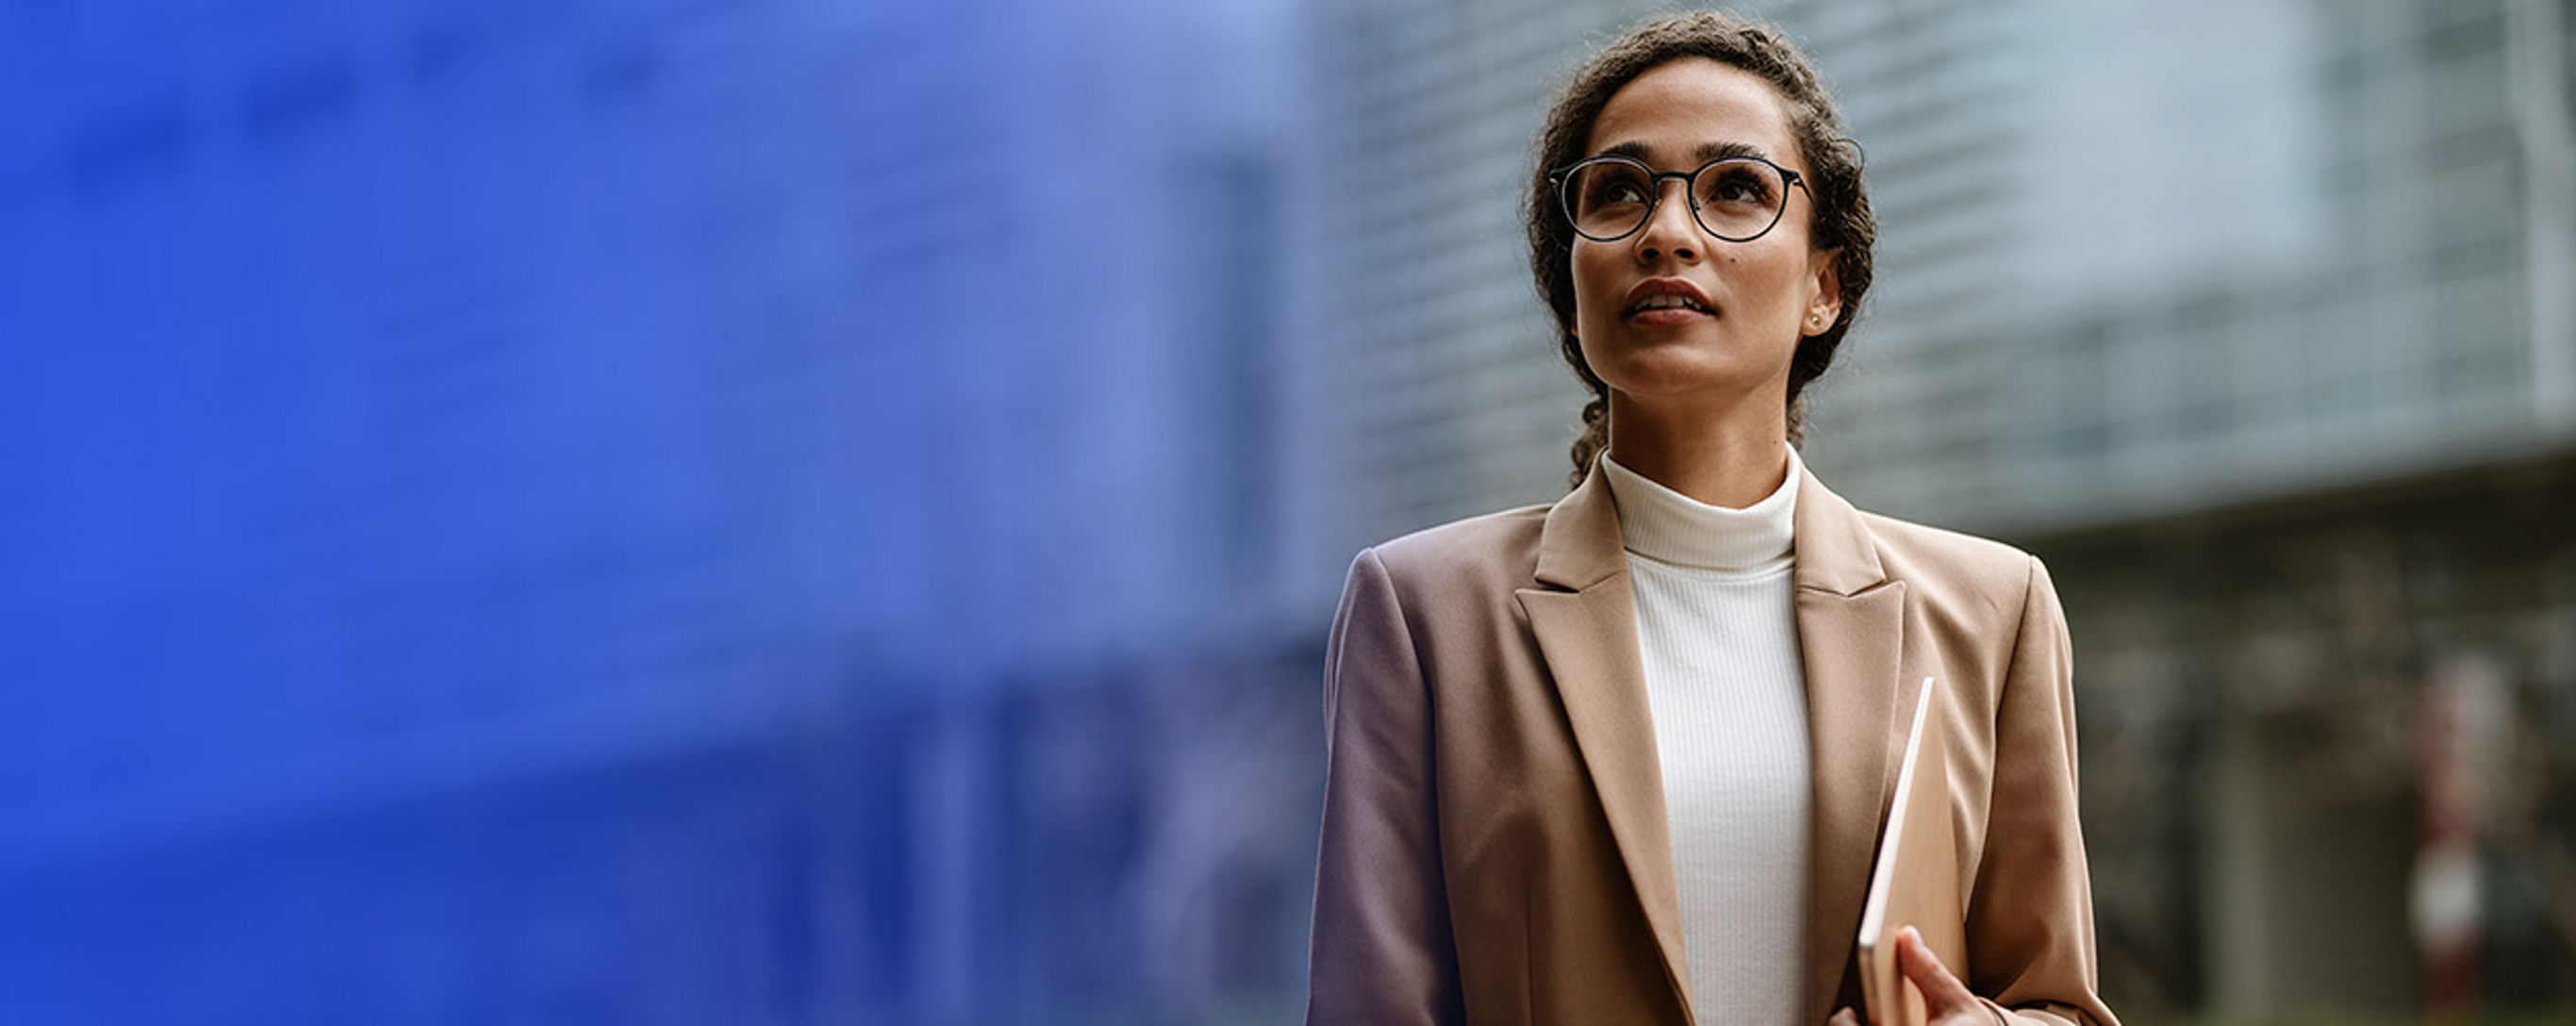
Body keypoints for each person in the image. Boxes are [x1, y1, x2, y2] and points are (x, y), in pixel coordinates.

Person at [1305, 11, 2120, 1026]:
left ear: (1823, 285)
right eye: (1617, 191)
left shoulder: (1992, 611)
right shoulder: (1422, 613)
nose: (1666, 231)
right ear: (1571, 291)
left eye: (1735, 187)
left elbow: (2054, 1005)